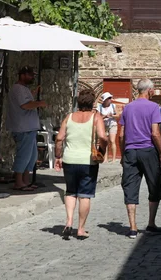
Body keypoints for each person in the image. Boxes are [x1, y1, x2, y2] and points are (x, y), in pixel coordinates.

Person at [54, 89, 108, 240]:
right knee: (84, 195)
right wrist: (102, 149)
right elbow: (103, 137)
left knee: (71, 192)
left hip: (69, 160)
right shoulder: (96, 117)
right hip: (88, 161)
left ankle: (69, 222)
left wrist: (58, 156)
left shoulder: (69, 117)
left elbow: (59, 138)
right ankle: (81, 229)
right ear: (92, 103)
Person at [119, 79, 161, 239]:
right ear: (149, 91)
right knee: (154, 185)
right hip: (148, 151)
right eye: (153, 90)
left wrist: (122, 153)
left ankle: (132, 227)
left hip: (130, 151)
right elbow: (155, 133)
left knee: (130, 187)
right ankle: (151, 223)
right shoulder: (154, 107)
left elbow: (121, 134)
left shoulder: (127, 108)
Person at [6, 66, 46, 191]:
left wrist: (33, 93)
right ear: (22, 75)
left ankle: (25, 181)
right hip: (23, 128)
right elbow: (25, 105)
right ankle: (19, 182)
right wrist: (40, 103)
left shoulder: (23, 89)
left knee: (32, 156)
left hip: (29, 128)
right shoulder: (18, 88)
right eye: (30, 75)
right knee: (24, 155)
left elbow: (25, 100)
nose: (32, 77)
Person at [97, 92, 119, 163]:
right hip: (103, 125)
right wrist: (105, 116)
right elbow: (97, 117)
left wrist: (112, 115)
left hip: (112, 124)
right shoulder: (99, 107)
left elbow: (118, 115)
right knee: (105, 142)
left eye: (110, 98)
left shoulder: (113, 106)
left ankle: (113, 159)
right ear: (105, 99)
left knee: (112, 141)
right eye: (109, 98)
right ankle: (105, 158)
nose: (110, 99)